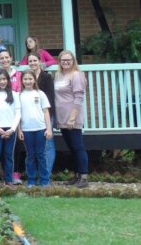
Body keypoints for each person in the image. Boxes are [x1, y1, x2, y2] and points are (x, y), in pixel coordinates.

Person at [55, 50, 89, 188]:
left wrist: (72, 118)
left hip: (72, 117)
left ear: (73, 61)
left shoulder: (77, 75)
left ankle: (84, 176)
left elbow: (79, 98)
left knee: (78, 146)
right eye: (63, 60)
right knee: (71, 147)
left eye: (68, 60)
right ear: (60, 61)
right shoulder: (58, 75)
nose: (66, 62)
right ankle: (76, 175)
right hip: (62, 118)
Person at [16, 70, 53, 188]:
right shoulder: (19, 95)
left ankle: (44, 179)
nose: (28, 81)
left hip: (41, 128)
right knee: (30, 155)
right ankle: (31, 180)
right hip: (26, 130)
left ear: (34, 80)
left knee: (41, 154)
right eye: (25, 79)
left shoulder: (40, 93)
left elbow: (46, 111)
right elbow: (17, 114)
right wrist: (19, 130)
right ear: (22, 81)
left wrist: (49, 129)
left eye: (30, 79)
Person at [0, 68, 20, 185]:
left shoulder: (14, 95)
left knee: (8, 154)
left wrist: (12, 129)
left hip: (11, 129)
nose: (2, 82)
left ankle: (9, 180)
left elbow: (18, 113)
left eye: (4, 79)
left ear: (8, 80)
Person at [27, 52, 58, 174]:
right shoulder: (28, 77)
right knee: (37, 148)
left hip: (46, 115)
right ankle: (39, 173)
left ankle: (47, 174)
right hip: (33, 118)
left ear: (40, 61)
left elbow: (50, 98)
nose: (33, 63)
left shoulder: (46, 77)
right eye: (30, 61)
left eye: (35, 60)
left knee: (47, 146)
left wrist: (49, 118)